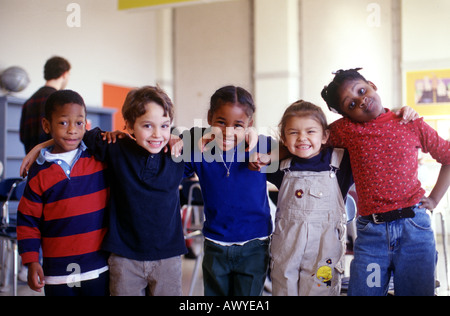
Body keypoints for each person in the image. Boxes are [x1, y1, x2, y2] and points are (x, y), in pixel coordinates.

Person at [22, 86, 187, 296]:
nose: (157, 134)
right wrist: (42, 146)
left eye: (164, 125)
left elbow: (219, 136)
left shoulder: (177, 153)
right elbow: (74, 133)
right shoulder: (115, 146)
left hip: (168, 257)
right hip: (124, 258)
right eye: (147, 125)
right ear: (127, 125)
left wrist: (177, 137)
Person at [321, 68, 450, 296]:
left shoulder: (410, 122)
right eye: (351, 105)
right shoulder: (348, 130)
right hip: (372, 236)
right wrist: (255, 149)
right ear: (345, 115)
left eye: (362, 90)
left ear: (372, 84)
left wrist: (434, 199)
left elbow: (448, 156)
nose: (361, 101)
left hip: (415, 231)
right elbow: (308, 134)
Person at [181, 86, 275, 296]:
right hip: (215, 243)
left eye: (238, 125)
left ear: (249, 124)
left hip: (255, 244)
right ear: (209, 118)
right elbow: (174, 169)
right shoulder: (199, 149)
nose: (228, 131)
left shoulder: (263, 146)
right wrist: (185, 140)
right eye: (221, 122)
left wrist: (265, 153)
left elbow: (294, 150)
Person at [17, 90, 110, 296]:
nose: (72, 130)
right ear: (46, 125)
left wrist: (41, 144)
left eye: (79, 123)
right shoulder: (39, 171)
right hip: (57, 272)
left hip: (98, 267)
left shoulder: (98, 156)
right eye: (63, 123)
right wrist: (31, 261)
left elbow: (129, 139)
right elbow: (27, 221)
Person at [264, 100, 353, 296]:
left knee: (321, 291)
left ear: (325, 136)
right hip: (287, 248)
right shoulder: (281, 165)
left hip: (325, 251)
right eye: (293, 132)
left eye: (311, 131)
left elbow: (360, 130)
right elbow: (249, 154)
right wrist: (276, 152)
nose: (302, 138)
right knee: (284, 289)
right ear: (284, 139)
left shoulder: (341, 162)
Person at [20, 56, 71, 154]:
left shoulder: (29, 102)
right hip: (54, 165)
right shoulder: (61, 101)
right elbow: (66, 137)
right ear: (64, 74)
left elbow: (23, 137)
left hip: (32, 165)